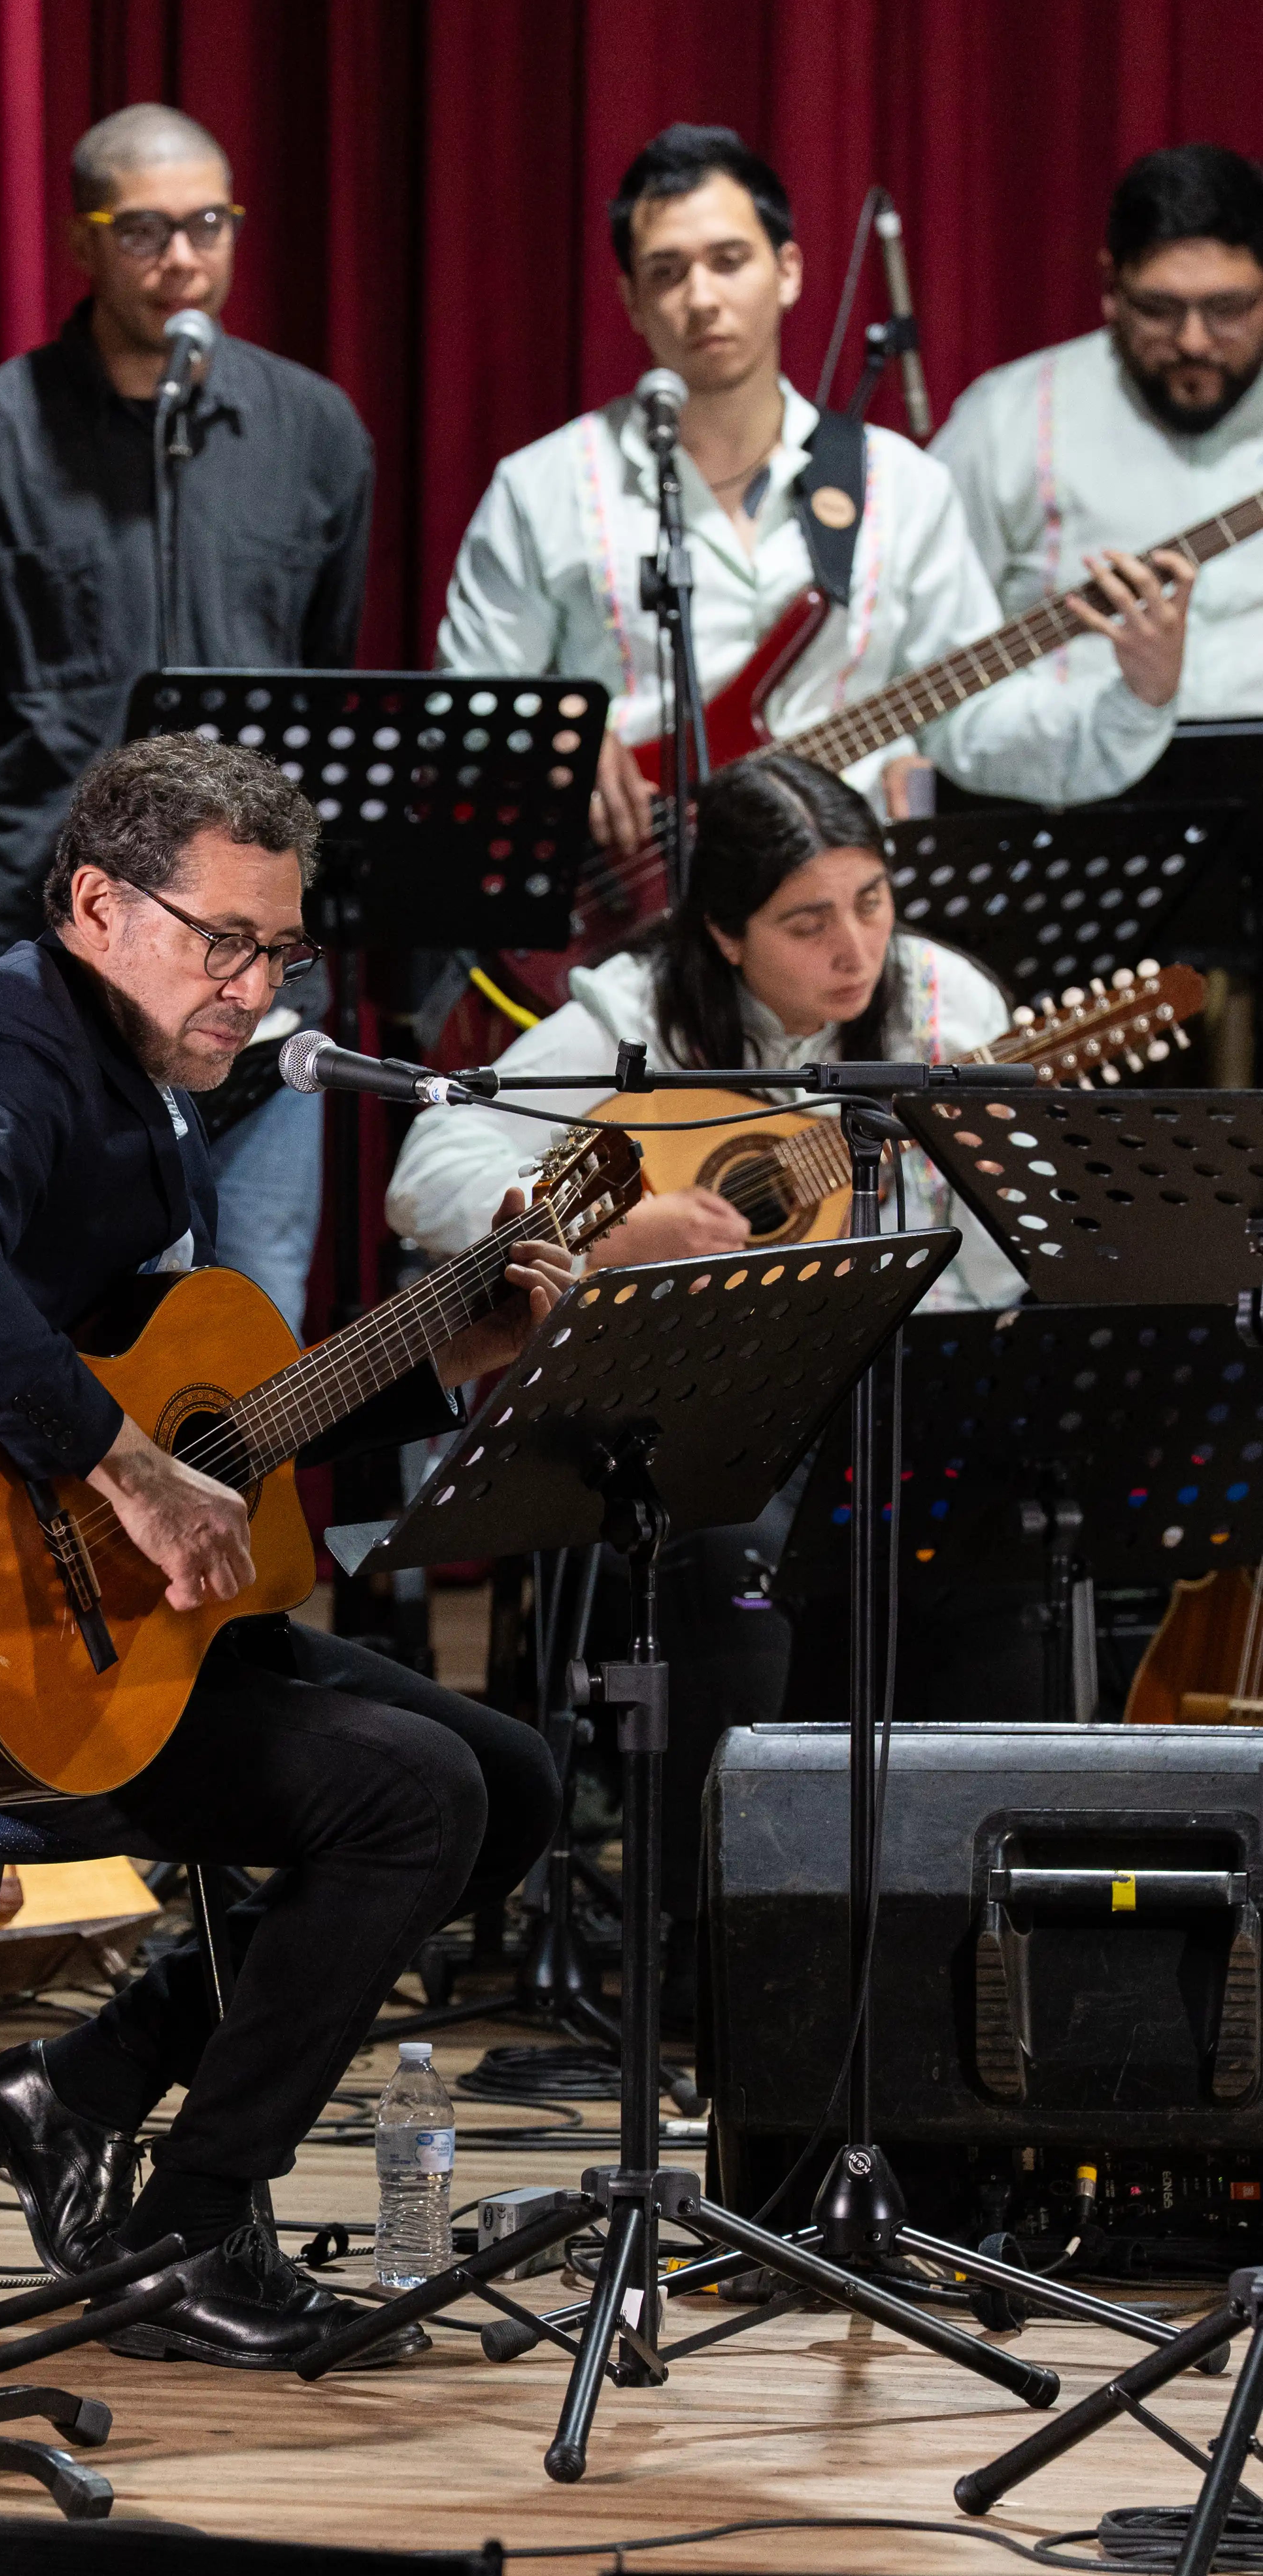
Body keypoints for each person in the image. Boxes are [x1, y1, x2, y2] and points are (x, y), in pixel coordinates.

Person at [0, 735, 564, 2370]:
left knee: (514, 1783)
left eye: (279, 949)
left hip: (109, 1624)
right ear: (97, 904)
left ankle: (85, 2087)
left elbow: (224, 1426)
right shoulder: (8, 1049)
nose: (254, 989)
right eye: (223, 941)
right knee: (411, 1797)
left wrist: (451, 1351)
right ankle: (189, 2227)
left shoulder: (150, 1084)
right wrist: (126, 1475)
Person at [386, 750, 1037, 2019]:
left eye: (872, 902)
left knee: (1009, 1556)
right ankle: (725, 1960)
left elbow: (1017, 1253)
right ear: (726, 933)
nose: (855, 949)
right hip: (721, 1410)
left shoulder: (947, 1006)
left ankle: (961, 1958)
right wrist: (602, 1236)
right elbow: (435, 1155)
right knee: (731, 1555)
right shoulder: (634, 1013)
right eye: (806, 921)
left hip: (897, 1399)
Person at [0, 103, 376, 1336]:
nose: (181, 258)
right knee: (47, 1322)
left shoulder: (314, 432)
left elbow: (324, 660)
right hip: (45, 956)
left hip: (248, 985)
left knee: (244, 1334)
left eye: (207, 224)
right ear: (83, 243)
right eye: (142, 230)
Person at [438, 124, 1195, 864]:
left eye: (728, 260)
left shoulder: (900, 486)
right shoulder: (541, 487)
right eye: (667, 271)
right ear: (631, 300)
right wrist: (553, 730)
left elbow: (974, 730)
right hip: (608, 910)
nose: (701, 297)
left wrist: (1137, 696)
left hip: (835, 930)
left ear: (789, 271)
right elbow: (453, 720)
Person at [935, 142, 1263, 731]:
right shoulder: (1005, 420)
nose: (1193, 341)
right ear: (1111, 287)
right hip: (1063, 798)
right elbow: (920, 647)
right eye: (1158, 309)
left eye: (1227, 308)